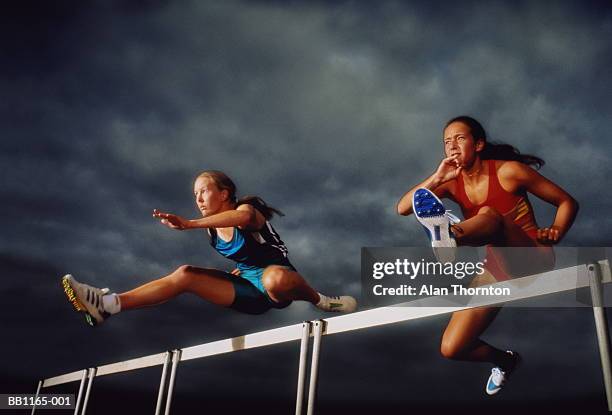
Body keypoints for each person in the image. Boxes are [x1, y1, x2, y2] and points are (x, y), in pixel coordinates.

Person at [397, 116, 579, 395]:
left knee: (490, 215)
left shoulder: (509, 172)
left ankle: (450, 234)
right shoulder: (452, 182)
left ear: (478, 144)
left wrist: (556, 229)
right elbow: (402, 208)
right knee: (452, 347)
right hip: (498, 268)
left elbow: (567, 202)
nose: (452, 146)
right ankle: (506, 361)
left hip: (532, 256)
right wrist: (437, 178)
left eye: (460, 138)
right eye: (447, 142)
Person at [62, 170, 357, 327]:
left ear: (224, 193)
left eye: (203, 191)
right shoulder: (213, 231)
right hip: (247, 291)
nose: (198, 199)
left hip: (278, 285)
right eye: (195, 195)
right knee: (185, 274)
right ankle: (108, 305)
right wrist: (237, 272)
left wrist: (188, 224)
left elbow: (244, 220)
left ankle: (321, 300)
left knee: (274, 278)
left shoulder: (247, 210)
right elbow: (244, 256)